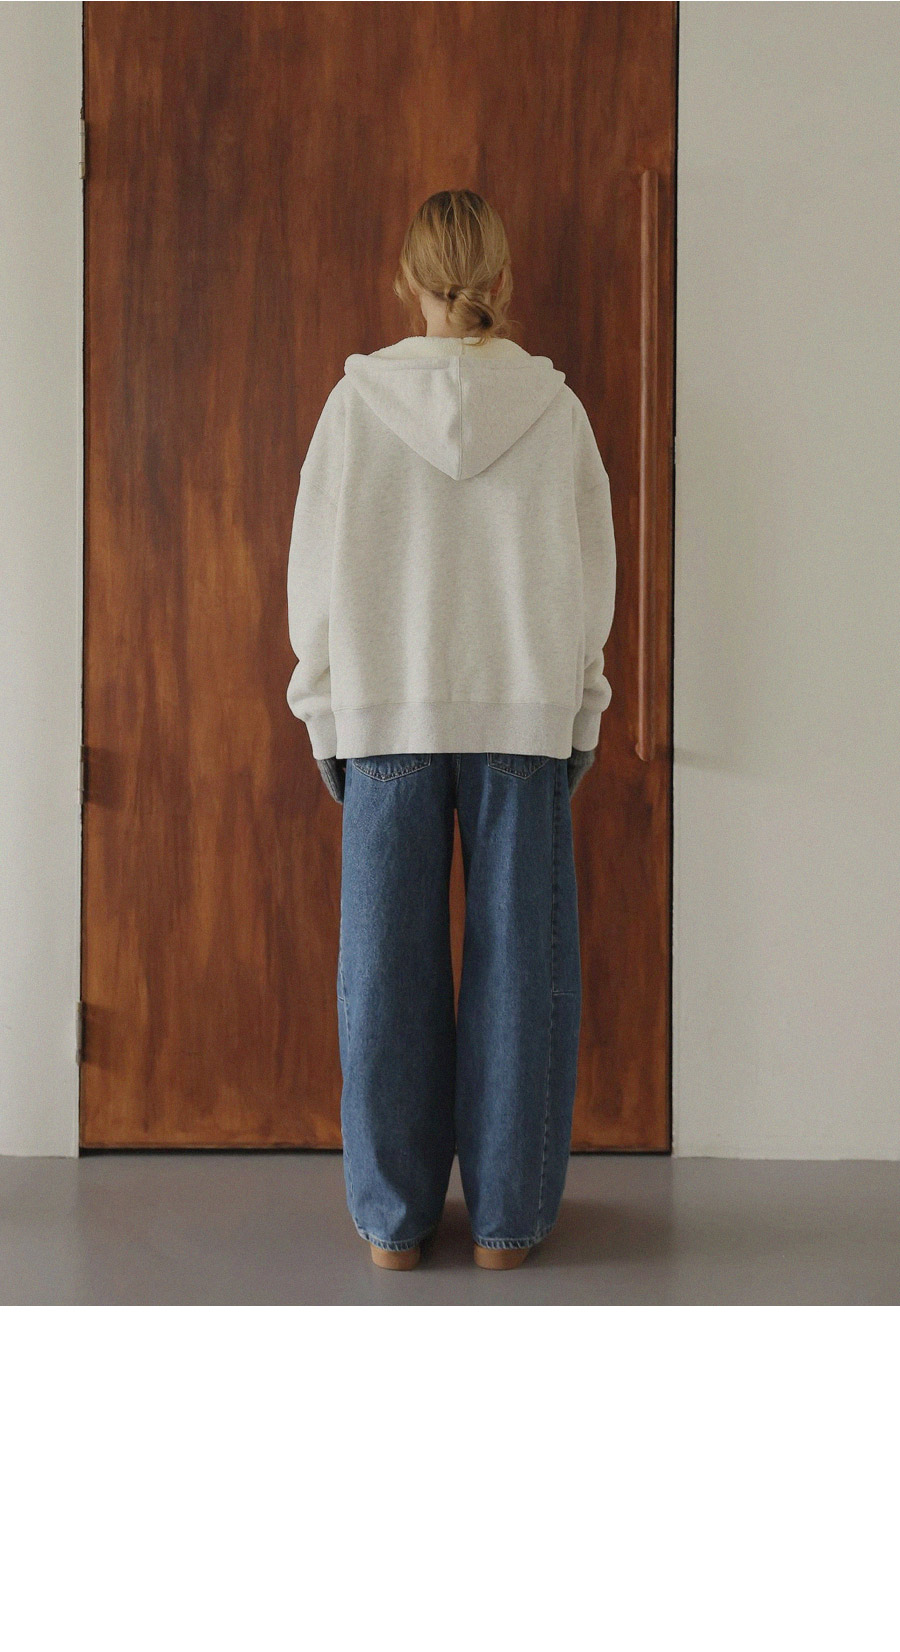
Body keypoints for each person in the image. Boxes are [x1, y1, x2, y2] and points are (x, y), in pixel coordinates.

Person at [286, 189, 616, 1272]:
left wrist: (324, 706)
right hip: (523, 716)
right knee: (525, 973)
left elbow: (315, 580)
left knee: (386, 973)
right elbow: (592, 577)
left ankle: (394, 1223)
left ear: (407, 281)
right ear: (502, 282)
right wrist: (581, 702)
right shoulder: (554, 410)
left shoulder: (356, 406)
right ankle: (507, 1225)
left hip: (387, 716)